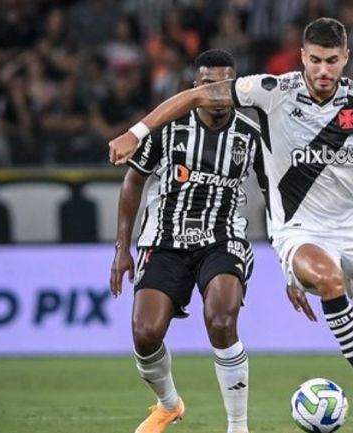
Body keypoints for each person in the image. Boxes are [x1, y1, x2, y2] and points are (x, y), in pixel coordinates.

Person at [109, 18, 353, 433]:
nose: (323, 70)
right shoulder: (271, 91)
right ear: (302, 57)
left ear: (345, 59)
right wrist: (135, 133)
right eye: (315, 60)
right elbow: (196, 95)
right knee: (329, 281)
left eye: (332, 61)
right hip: (299, 231)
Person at [109, 49, 266, 433]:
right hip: (164, 241)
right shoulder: (168, 128)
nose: (216, 92)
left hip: (223, 238)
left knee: (222, 318)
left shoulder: (252, 135)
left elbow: (275, 191)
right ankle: (168, 404)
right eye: (207, 84)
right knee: (145, 334)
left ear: (236, 85)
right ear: (194, 87)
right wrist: (122, 248)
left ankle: (238, 426)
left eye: (224, 83)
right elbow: (134, 180)